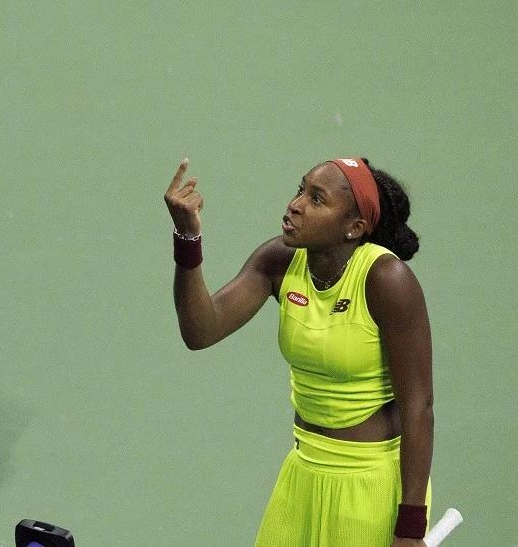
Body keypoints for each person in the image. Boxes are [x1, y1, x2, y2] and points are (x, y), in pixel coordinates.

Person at [164, 157, 433, 546]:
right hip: (303, 469)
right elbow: (201, 330)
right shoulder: (280, 259)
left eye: (317, 199)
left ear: (354, 228)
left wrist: (410, 528)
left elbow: (418, 406)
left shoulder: (387, 280)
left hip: (370, 485)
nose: (296, 204)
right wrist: (187, 240)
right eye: (300, 189)